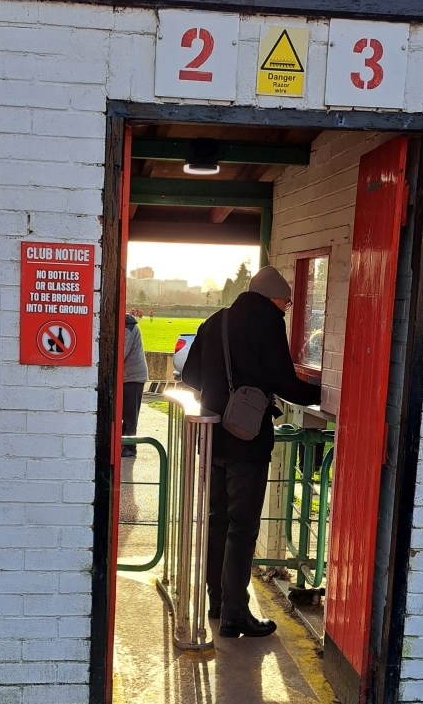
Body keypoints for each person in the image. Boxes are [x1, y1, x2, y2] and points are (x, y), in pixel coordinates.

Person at [182, 265, 319, 639]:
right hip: (247, 441)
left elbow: (190, 375)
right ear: (273, 297)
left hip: (212, 436)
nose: (287, 309)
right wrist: (324, 393)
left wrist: (220, 394)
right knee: (242, 528)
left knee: (217, 521)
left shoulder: (217, 320)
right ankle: (235, 615)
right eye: (286, 303)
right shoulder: (268, 322)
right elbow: (285, 382)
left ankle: (216, 603)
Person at [122, 312, 149, 458]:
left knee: (130, 416)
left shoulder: (128, 327)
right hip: (129, 377)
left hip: (133, 377)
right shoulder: (127, 325)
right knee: (126, 414)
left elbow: (121, 353)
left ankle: (130, 447)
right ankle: (123, 443)